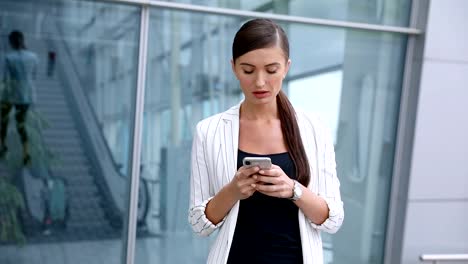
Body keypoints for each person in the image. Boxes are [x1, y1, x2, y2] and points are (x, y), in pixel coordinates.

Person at [189, 18, 344, 264]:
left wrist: (293, 190)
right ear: (234, 67)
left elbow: (333, 219)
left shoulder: (314, 129)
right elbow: (199, 224)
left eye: (271, 70)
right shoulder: (209, 131)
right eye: (248, 70)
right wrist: (233, 191)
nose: (260, 82)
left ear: (286, 67)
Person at [1, 30, 39, 165]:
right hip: (27, 95)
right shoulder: (34, 56)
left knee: (3, 121)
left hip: (10, 94)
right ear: (23, 40)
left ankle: (3, 148)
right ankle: (26, 153)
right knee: (21, 125)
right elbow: (34, 76)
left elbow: (4, 79)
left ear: (11, 42)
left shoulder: (8, 58)